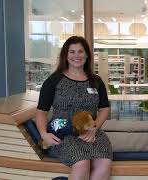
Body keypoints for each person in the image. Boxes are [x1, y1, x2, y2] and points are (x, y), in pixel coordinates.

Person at [36, 36, 112, 180]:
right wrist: (43, 134)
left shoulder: (96, 81)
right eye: (72, 52)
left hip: (91, 132)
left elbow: (104, 109)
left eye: (80, 51)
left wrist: (95, 128)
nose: (76, 55)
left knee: (105, 163)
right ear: (65, 55)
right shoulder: (54, 80)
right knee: (82, 163)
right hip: (64, 134)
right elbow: (41, 112)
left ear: (87, 55)